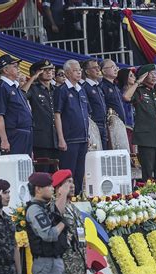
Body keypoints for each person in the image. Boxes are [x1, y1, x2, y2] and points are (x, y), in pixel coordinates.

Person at [25, 172, 69, 274]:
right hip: (46, 265)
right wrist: (63, 223)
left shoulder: (44, 206)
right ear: (38, 189)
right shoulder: (34, 209)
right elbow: (48, 234)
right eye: (49, 186)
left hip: (53, 262)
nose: (52, 188)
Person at [52, 170, 87, 274]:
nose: (72, 186)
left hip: (79, 264)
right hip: (65, 266)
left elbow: (82, 237)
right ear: (58, 187)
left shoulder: (75, 209)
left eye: (72, 182)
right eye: (67, 182)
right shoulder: (55, 208)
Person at [54, 60, 90, 195]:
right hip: (69, 139)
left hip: (83, 138)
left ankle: (78, 197)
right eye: (75, 70)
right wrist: (61, 138)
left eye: (80, 69)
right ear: (68, 73)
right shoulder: (62, 90)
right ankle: (65, 198)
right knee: (68, 172)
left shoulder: (81, 90)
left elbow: (86, 114)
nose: (79, 72)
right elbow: (57, 115)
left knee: (80, 172)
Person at [131, 65, 156, 189]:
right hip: (146, 138)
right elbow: (126, 97)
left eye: (155, 73)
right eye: (150, 73)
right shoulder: (138, 91)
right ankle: (149, 197)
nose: (154, 76)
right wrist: (137, 82)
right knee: (147, 172)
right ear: (143, 76)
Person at [0, 54, 33, 155]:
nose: (18, 69)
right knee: (15, 167)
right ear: (5, 70)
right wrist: (4, 140)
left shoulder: (14, 86)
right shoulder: (1, 87)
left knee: (24, 167)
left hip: (25, 132)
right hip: (14, 134)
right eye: (15, 66)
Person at [22, 59, 59, 172]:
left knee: (57, 172)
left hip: (57, 138)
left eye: (51, 70)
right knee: (42, 173)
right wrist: (33, 78)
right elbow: (21, 94)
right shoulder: (33, 89)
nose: (49, 72)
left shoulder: (56, 90)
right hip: (41, 139)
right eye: (45, 70)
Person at [82, 59, 108, 150]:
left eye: (98, 67)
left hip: (104, 124)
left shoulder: (98, 87)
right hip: (94, 125)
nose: (98, 70)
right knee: (96, 153)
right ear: (87, 71)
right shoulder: (85, 87)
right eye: (94, 68)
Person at [100, 59, 126, 123]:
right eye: (112, 67)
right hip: (111, 125)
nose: (116, 69)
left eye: (116, 67)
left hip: (120, 124)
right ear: (104, 71)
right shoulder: (102, 87)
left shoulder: (116, 86)